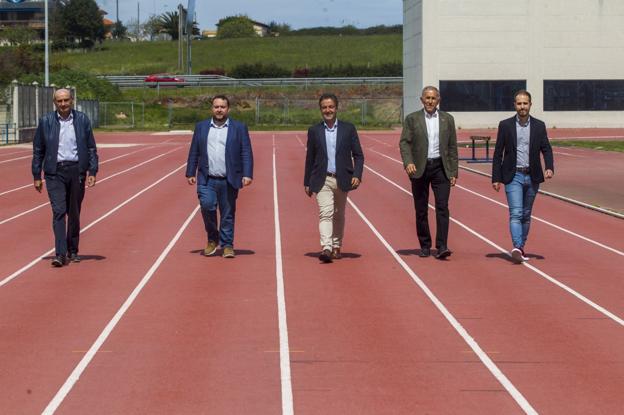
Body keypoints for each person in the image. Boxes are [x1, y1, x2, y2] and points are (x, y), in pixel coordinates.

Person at [32, 88, 99, 267]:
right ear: (55, 103)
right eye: (59, 101)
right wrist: (36, 174)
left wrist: (92, 171)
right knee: (59, 211)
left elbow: (91, 147)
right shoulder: (46, 121)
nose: (63, 104)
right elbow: (38, 150)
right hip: (55, 172)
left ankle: (73, 249)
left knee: (74, 213)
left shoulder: (82, 119)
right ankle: (60, 254)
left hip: (76, 171)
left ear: (72, 101)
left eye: (66, 100)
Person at [186, 95, 253, 258]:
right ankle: (212, 238)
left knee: (227, 213)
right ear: (212, 108)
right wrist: (190, 172)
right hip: (206, 178)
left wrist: (247, 173)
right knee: (207, 206)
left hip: (229, 179)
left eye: (222, 107)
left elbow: (246, 152)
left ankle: (228, 245)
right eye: (216, 107)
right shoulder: (201, 127)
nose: (219, 110)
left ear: (228, 109)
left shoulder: (239, 127)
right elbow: (194, 150)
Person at [492, 90, 554, 263]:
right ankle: (517, 246)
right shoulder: (505, 125)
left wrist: (549, 167)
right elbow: (498, 153)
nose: (522, 107)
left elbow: (546, 149)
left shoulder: (539, 126)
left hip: (532, 175)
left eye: (525, 103)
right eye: (519, 104)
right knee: (516, 213)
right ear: (514, 105)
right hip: (513, 176)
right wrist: (496, 178)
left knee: (526, 214)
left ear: (530, 105)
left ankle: (521, 247)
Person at [304, 93, 364, 263]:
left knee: (339, 214)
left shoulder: (348, 129)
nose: (328, 110)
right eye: (324, 107)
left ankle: (337, 245)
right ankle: (327, 247)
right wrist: (307, 181)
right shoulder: (314, 131)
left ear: (336, 108)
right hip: (322, 179)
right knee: (326, 212)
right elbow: (310, 158)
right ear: (320, 109)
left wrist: (357, 175)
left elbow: (359, 155)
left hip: (343, 178)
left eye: (331, 107)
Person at [399, 86, 458, 259]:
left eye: (433, 98)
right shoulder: (412, 119)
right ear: (422, 100)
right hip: (419, 169)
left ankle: (442, 246)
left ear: (438, 100)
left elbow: (452, 147)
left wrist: (454, 171)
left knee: (442, 207)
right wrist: (408, 162)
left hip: (441, 168)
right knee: (421, 209)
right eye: (427, 98)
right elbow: (404, 143)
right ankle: (425, 245)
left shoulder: (448, 119)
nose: (430, 101)